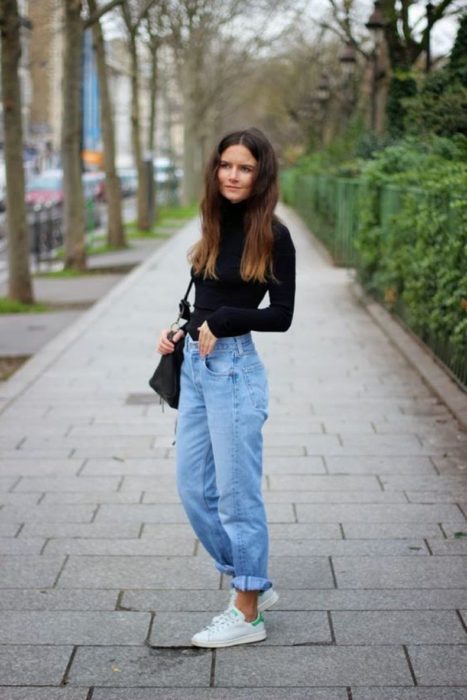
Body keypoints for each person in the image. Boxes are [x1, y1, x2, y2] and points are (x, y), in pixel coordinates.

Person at [157, 127, 295, 648]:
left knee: (237, 497)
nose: (233, 176)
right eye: (226, 166)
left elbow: (280, 316)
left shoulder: (274, 235)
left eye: (245, 168)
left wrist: (228, 322)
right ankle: (252, 578)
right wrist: (181, 327)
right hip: (196, 364)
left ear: (261, 177)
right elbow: (206, 297)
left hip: (234, 371)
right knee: (194, 489)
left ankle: (248, 612)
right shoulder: (212, 223)